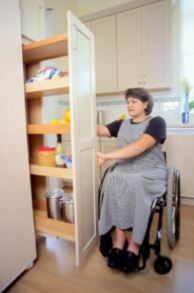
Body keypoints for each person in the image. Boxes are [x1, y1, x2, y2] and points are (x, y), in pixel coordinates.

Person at [97, 87, 167, 273]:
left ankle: (135, 244)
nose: (129, 105)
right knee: (113, 179)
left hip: (150, 170)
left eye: (134, 101)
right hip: (125, 169)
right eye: (128, 101)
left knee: (134, 183)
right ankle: (120, 240)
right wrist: (77, 120)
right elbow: (100, 130)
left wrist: (107, 156)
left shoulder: (157, 122)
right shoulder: (122, 124)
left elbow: (139, 147)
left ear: (145, 104)